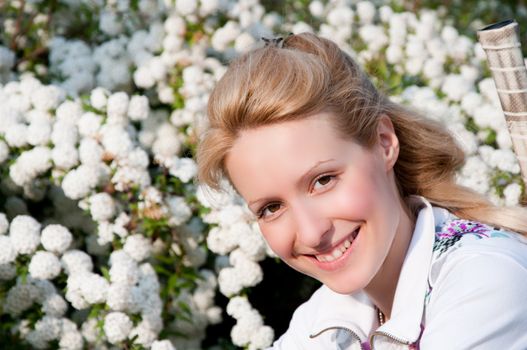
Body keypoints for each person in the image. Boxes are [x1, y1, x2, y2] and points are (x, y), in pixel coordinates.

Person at [196, 33, 527, 349]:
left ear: (384, 143)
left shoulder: (485, 278)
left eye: (323, 180)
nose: (311, 233)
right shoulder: (323, 321)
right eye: (271, 207)